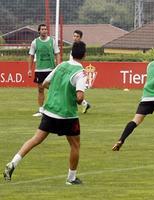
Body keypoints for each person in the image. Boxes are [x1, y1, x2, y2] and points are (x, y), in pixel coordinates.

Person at [3, 41, 87, 185]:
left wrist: (57, 93)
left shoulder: (61, 66)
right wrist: (76, 99)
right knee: (75, 145)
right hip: (67, 115)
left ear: (71, 53)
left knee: (35, 139)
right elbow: (80, 97)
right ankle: (71, 178)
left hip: (50, 110)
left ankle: (12, 163)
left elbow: (45, 83)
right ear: (84, 55)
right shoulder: (81, 73)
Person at [28, 23, 60, 117]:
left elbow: (57, 53)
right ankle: (41, 110)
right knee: (40, 89)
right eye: (42, 29)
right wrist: (30, 69)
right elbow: (31, 55)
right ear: (39, 31)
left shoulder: (52, 41)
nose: (44, 31)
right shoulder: (35, 42)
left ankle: (54, 107)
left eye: (45, 29)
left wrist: (58, 66)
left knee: (52, 88)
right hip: (39, 69)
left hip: (51, 69)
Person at [70, 30, 91, 114]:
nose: (75, 38)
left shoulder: (81, 48)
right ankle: (85, 104)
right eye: (74, 36)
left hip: (75, 71)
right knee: (73, 91)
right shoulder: (73, 47)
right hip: (72, 70)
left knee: (75, 91)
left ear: (80, 38)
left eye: (77, 36)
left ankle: (83, 104)